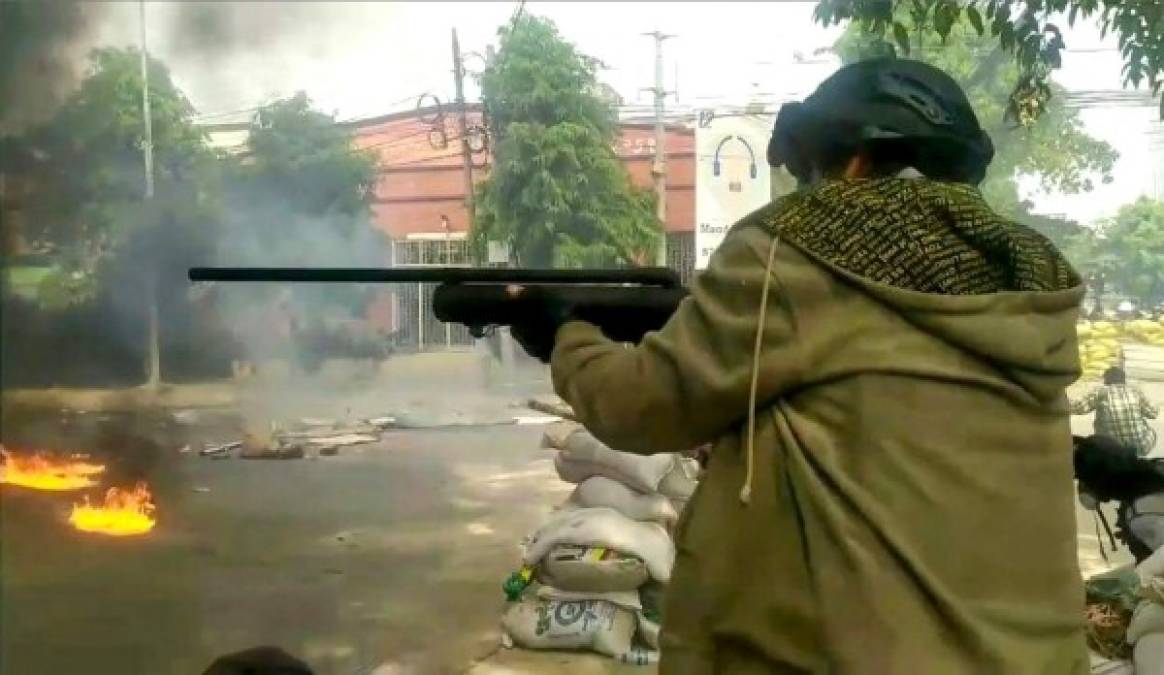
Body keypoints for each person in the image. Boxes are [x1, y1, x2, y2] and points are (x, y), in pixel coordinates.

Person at [513, 58, 1088, 673]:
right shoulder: (1021, 290)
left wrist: (566, 336)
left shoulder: (800, 249)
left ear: (854, 163)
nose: (805, 192)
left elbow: (638, 407)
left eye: (810, 169)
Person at [1073, 366, 1159, 457]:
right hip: (1140, 447)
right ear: (1124, 380)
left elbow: (1078, 408)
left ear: (1106, 381)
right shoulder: (1135, 391)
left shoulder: (1100, 392)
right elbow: (1154, 413)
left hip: (1111, 450)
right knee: (1152, 432)